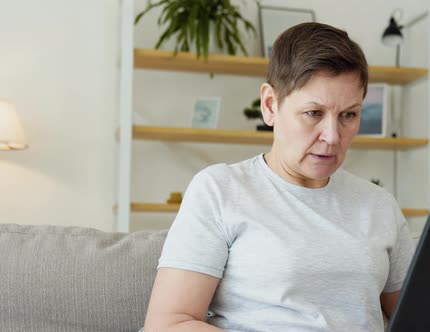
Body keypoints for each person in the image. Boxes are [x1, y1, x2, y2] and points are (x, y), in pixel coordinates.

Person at [143, 22, 415, 331]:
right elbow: (169, 324)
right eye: (314, 113)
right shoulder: (220, 190)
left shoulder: (379, 205)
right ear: (271, 105)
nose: (332, 136)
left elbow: (419, 319)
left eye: (348, 115)